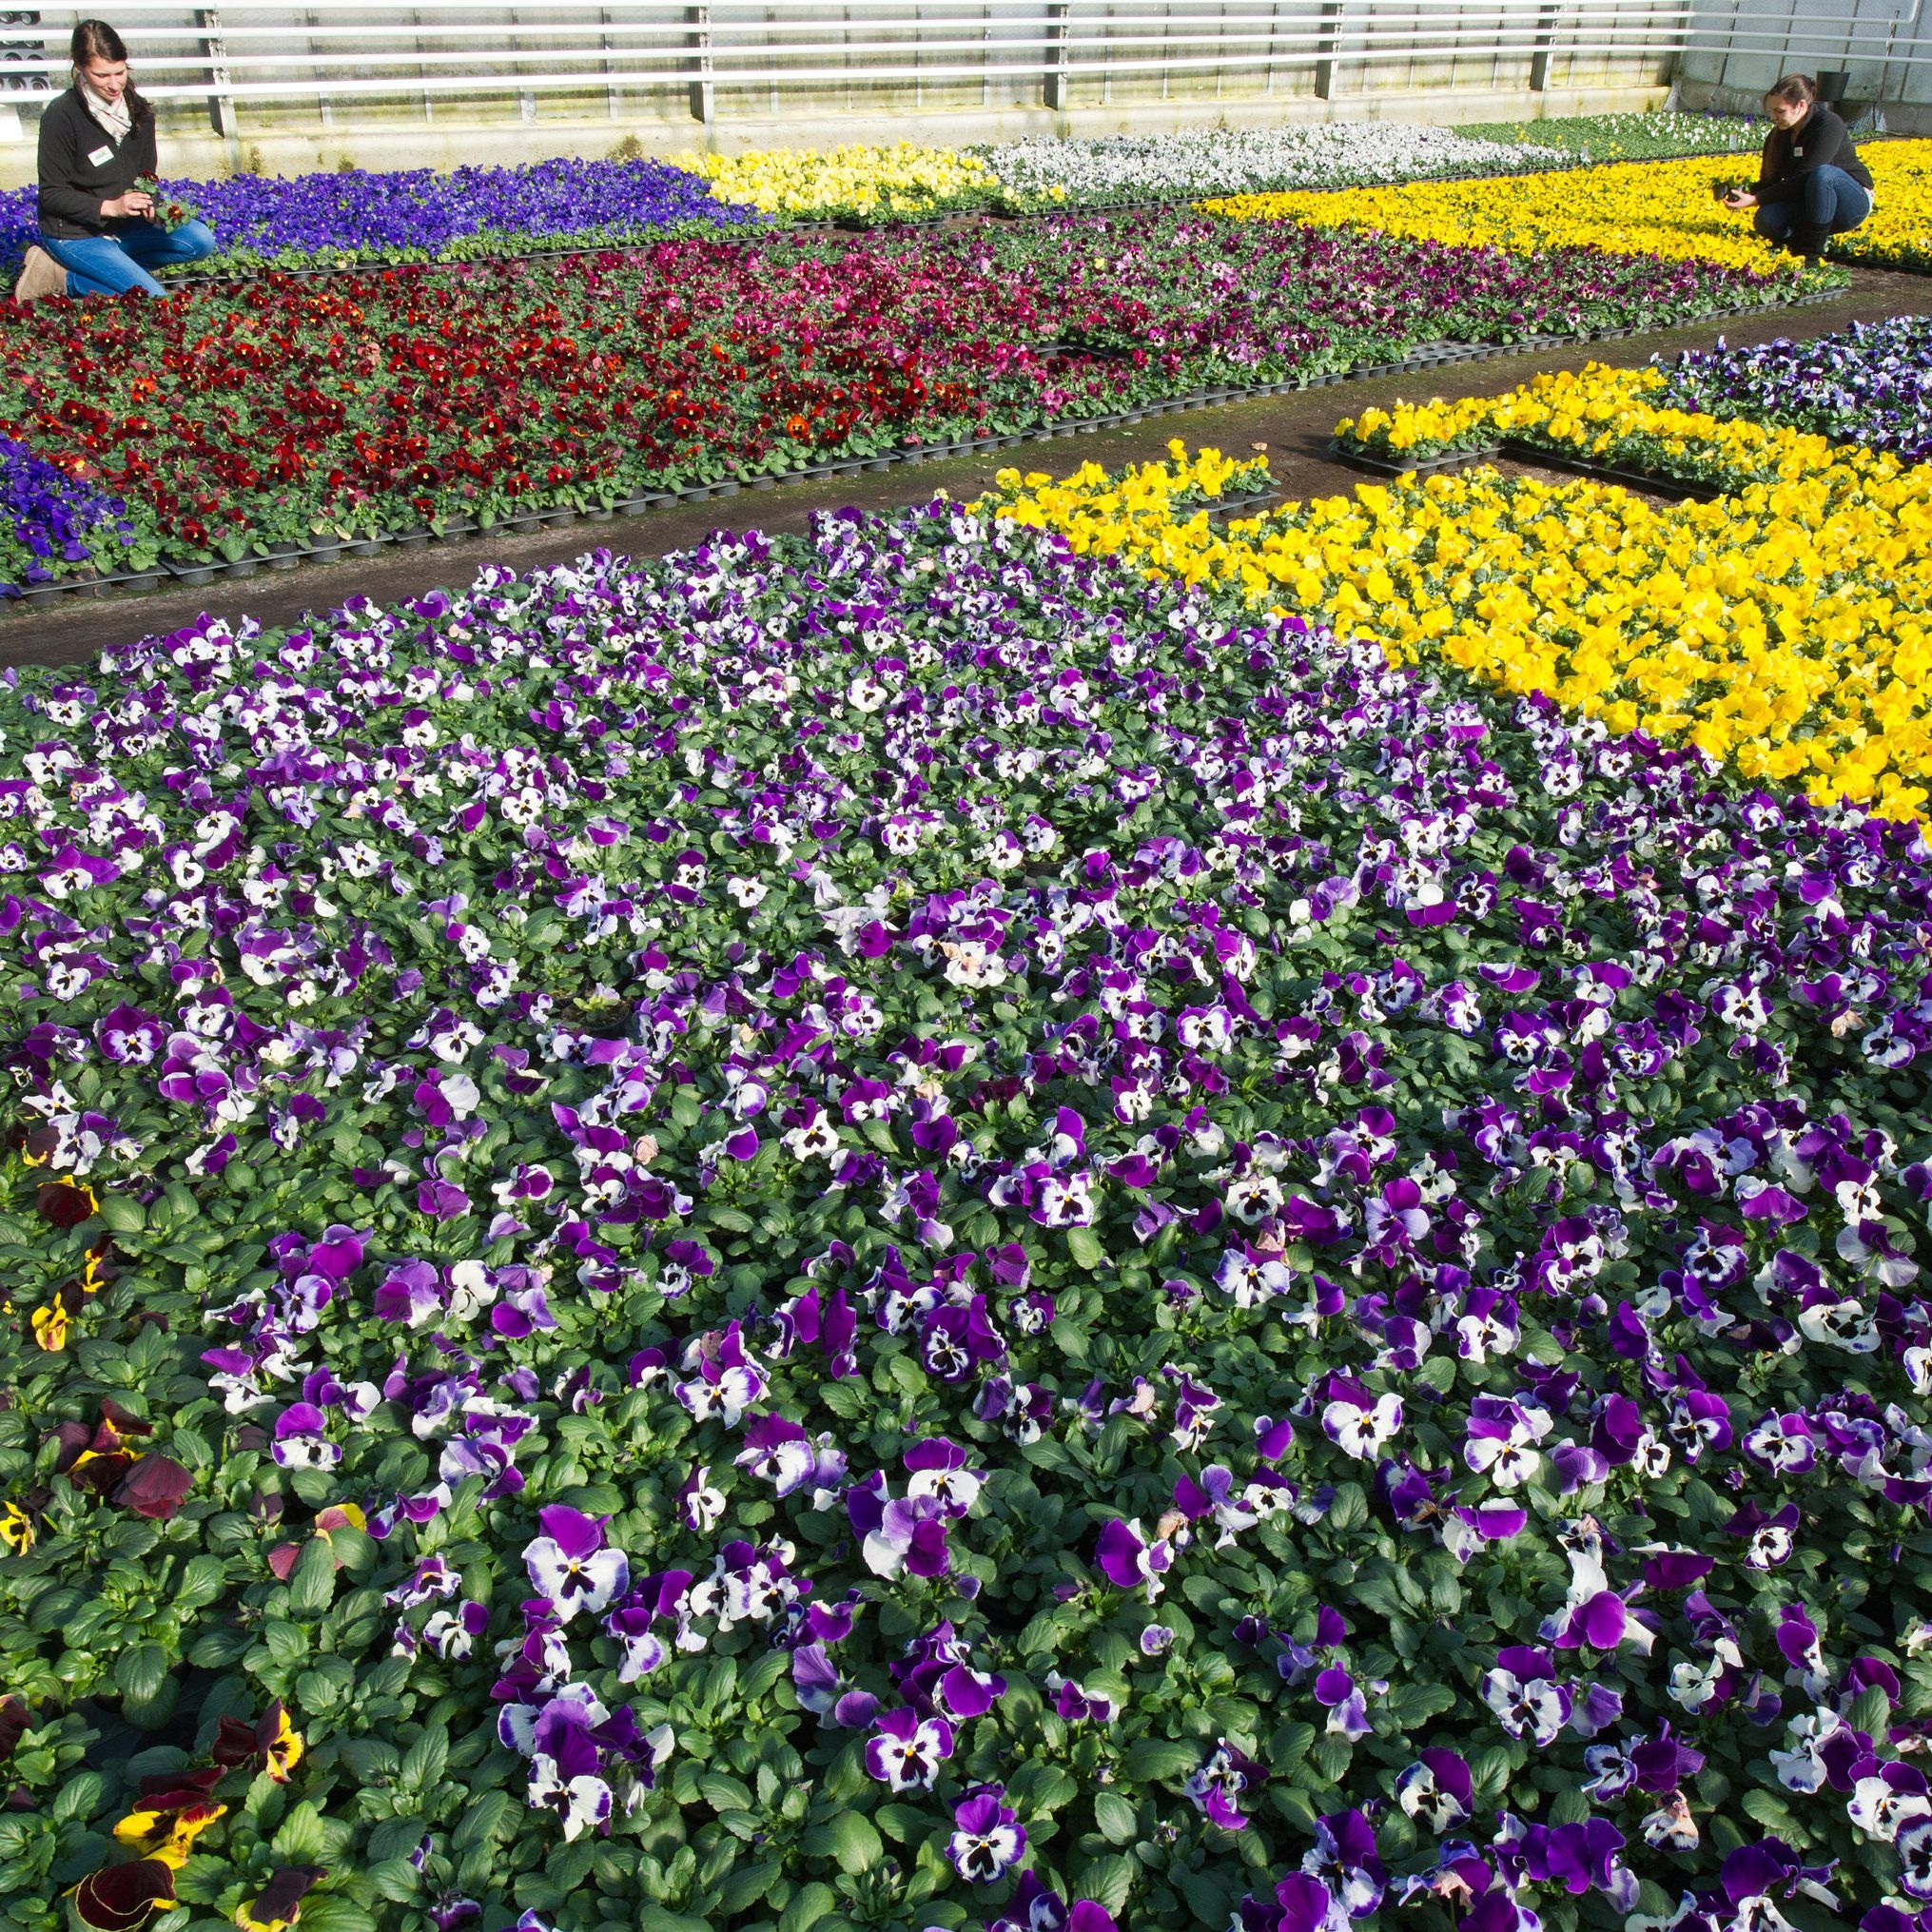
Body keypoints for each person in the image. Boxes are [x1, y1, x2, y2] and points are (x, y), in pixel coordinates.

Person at [14, 19, 217, 302]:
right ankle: (63, 278)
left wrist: (151, 203)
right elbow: (52, 195)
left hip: (124, 230)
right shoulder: (61, 116)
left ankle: (107, 270)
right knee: (151, 298)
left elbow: (146, 176)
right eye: (101, 75)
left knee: (200, 239)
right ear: (80, 68)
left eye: (119, 72)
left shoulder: (139, 111)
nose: (114, 84)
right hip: (76, 235)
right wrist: (111, 207)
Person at [1722, 73, 1872, 261]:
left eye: (1780, 111)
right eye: (1772, 111)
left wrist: (1756, 199)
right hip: (1808, 200)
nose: (1773, 117)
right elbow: (1770, 182)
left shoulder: (1828, 124)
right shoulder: (1779, 135)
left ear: (1800, 106)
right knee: (1766, 220)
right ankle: (1797, 245)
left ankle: (1811, 253)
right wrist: (1740, 192)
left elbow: (1805, 176)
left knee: (1823, 175)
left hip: (1849, 203)